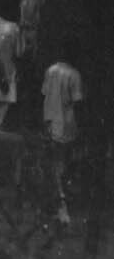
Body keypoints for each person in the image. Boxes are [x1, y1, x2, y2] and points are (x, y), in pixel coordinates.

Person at [41, 41, 85, 224]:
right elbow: (77, 102)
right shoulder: (74, 75)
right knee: (63, 164)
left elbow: (44, 94)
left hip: (50, 121)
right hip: (66, 125)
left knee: (54, 164)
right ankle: (62, 204)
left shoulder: (51, 70)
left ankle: (57, 201)